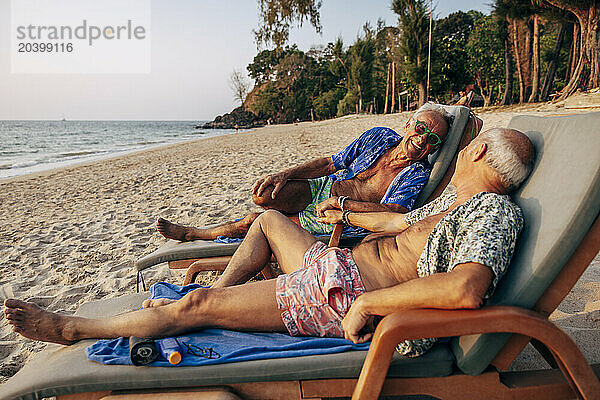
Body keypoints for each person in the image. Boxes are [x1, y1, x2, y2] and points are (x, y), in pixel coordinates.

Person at [4, 128, 535, 357]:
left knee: (198, 303)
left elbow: (467, 288)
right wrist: (347, 212)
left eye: (470, 145)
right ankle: (215, 303)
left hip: (346, 294)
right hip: (340, 263)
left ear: (481, 152)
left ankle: (73, 328)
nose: (463, 149)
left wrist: (369, 303)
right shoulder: (452, 205)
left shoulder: (491, 212)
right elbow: (398, 229)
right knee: (266, 221)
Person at [157, 103, 454, 241]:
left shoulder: (416, 174)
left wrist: (343, 206)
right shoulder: (378, 136)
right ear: (408, 125)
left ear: (435, 147)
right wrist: (284, 175)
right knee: (264, 196)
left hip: (334, 213)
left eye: (433, 139)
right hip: (324, 187)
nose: (422, 139)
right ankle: (204, 231)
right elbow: (329, 163)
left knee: (255, 221)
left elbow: (393, 211)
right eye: (420, 128)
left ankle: (194, 234)